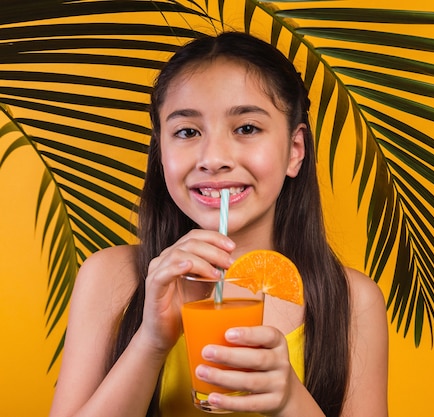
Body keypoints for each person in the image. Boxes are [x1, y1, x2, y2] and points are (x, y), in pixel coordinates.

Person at [49, 31, 388, 417]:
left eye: (246, 128)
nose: (213, 158)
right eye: (187, 132)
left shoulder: (352, 301)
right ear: (161, 152)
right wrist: (151, 341)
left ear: (295, 151)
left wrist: (289, 398)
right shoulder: (112, 277)